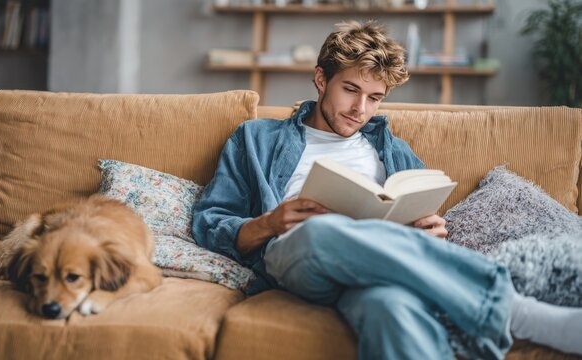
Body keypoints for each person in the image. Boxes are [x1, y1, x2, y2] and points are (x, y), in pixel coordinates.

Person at [192, 20, 582, 359]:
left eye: (374, 98)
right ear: (321, 79)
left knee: (393, 309)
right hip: (298, 256)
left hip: (376, 272)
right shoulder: (256, 138)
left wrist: (430, 231)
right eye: (350, 89)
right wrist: (270, 222)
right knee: (320, 230)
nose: (360, 109)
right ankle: (512, 311)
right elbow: (210, 221)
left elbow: (422, 217)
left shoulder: (394, 152)